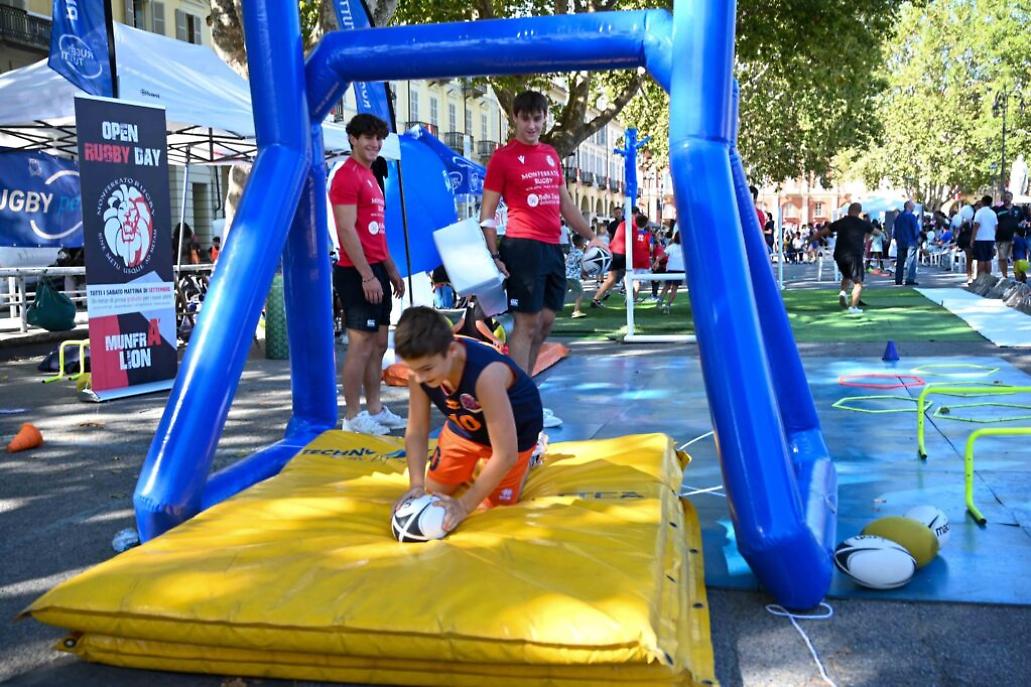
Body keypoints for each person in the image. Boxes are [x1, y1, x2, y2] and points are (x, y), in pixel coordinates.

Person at [479, 90, 601, 382]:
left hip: (552, 248)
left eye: (537, 118)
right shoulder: (502, 158)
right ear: (515, 118)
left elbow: (565, 204)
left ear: (545, 118)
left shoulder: (550, 155)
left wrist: (591, 236)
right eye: (525, 119)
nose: (531, 125)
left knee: (545, 322)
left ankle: (526, 387)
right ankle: (520, 396)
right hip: (522, 247)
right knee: (527, 323)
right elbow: (487, 213)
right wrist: (494, 255)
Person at [392, 306, 544, 532]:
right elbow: (417, 431)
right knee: (433, 491)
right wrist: (416, 485)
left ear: (452, 350)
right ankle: (472, 463)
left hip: (517, 429)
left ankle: (531, 456)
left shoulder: (485, 375)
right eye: (414, 370)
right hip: (466, 425)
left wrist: (463, 506)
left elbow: (506, 454)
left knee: (495, 508)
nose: (420, 378)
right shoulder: (419, 372)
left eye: (427, 369)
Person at [331, 113, 407, 435]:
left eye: (378, 139)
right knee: (360, 346)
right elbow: (346, 230)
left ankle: (374, 409)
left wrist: (391, 270)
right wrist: (366, 275)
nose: (374, 144)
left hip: (376, 269)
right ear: (353, 138)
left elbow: (376, 232)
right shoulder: (346, 175)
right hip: (355, 271)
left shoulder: (371, 176)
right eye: (368, 138)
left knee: (378, 345)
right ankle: (352, 417)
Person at [822, 202, 879, 315]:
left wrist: (810, 240)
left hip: (839, 255)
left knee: (847, 276)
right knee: (858, 282)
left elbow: (823, 232)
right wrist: (872, 231)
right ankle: (853, 307)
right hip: (854, 254)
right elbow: (877, 233)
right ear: (859, 211)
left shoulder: (841, 222)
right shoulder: (862, 223)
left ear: (849, 210)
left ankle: (843, 293)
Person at [591, 206, 638, 307]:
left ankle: (597, 298)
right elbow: (633, 243)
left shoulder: (622, 224)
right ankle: (631, 299)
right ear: (635, 214)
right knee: (631, 276)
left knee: (612, 278)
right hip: (621, 253)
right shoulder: (631, 226)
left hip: (615, 251)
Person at [995, 192, 1025, 279]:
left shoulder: (1018, 209)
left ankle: (1019, 276)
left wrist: (1020, 228)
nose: (1006, 198)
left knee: (1017, 258)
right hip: (1001, 238)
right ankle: (1005, 276)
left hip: (1016, 238)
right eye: (1004, 197)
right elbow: (995, 223)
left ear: (1011, 198)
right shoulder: (998, 210)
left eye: (1008, 197)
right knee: (1002, 258)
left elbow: (1023, 221)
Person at [657, 230, 684, 314]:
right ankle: (667, 305)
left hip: (671, 269)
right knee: (674, 289)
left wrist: (656, 262)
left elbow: (663, 254)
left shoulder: (671, 246)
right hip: (680, 270)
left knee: (666, 286)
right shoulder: (686, 247)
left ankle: (660, 301)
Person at [972, 194, 998, 280]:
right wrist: (993, 235)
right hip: (990, 239)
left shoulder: (979, 212)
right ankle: (988, 277)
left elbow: (976, 226)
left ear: (982, 202)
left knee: (981, 259)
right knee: (988, 259)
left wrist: (972, 239)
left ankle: (980, 278)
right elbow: (996, 226)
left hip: (980, 239)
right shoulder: (993, 213)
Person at [894, 200, 920, 286]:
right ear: (908, 206)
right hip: (911, 241)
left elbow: (895, 230)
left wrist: (896, 239)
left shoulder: (899, 217)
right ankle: (910, 279)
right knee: (911, 261)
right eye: (913, 205)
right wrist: (917, 238)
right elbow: (915, 230)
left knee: (900, 262)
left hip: (901, 242)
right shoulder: (912, 217)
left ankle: (898, 279)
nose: (914, 207)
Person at [951, 199, 975, 284]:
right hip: (967, 243)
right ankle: (969, 276)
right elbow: (958, 233)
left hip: (976, 242)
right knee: (969, 259)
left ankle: (975, 275)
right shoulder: (963, 223)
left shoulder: (976, 221)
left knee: (975, 260)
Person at [565, 233, 587, 318]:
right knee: (580, 293)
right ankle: (576, 311)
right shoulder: (580, 254)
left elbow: (573, 264)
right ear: (581, 242)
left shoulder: (572, 251)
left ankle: (548, 309)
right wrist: (584, 274)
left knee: (561, 294)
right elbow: (582, 266)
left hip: (566, 275)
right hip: (572, 277)